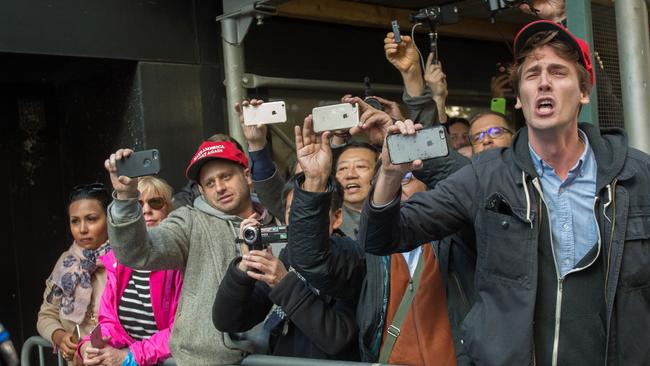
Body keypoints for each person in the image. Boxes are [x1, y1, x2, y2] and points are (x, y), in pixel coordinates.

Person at [359, 20, 650, 365]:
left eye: (558, 72)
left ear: (583, 92)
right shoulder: (485, 176)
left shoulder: (636, 175)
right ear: (518, 100)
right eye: (532, 75)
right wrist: (390, 174)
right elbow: (381, 238)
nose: (543, 82)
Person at [288, 116, 459, 365]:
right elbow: (311, 260)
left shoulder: (460, 239)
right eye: (387, 178)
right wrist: (314, 182)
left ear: (428, 184)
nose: (395, 187)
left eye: (406, 177)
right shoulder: (369, 253)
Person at [104, 140, 277, 365]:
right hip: (209, 360)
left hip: (277, 357)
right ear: (201, 190)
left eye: (226, 177)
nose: (219, 187)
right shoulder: (189, 221)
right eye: (210, 183)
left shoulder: (278, 218)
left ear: (247, 175)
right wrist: (126, 198)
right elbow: (138, 253)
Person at [212, 171, 358, 360]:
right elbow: (228, 321)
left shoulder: (352, 259)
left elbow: (338, 338)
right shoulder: (288, 257)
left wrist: (283, 282)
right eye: (293, 212)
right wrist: (245, 269)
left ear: (336, 218)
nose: (301, 222)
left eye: (310, 212)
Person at [78, 176, 182, 366]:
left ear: (169, 211)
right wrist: (88, 346)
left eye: (155, 203)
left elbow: (183, 330)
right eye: (137, 204)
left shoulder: (180, 262)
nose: (146, 210)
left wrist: (131, 357)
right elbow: (110, 323)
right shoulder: (120, 262)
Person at [37, 183, 112, 363]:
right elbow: (47, 315)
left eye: (91, 219)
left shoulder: (127, 260)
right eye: (75, 221)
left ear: (110, 218)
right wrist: (60, 336)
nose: (82, 229)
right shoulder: (66, 262)